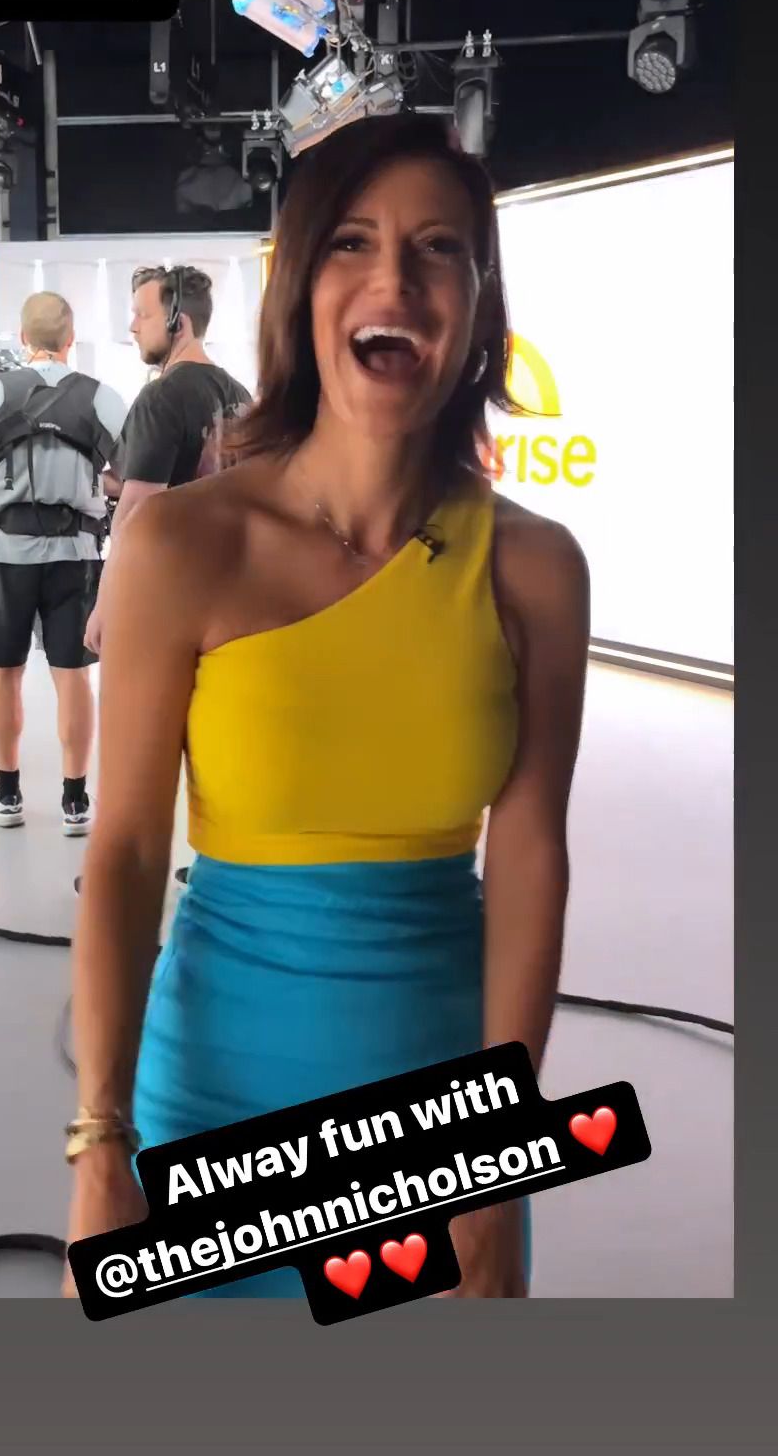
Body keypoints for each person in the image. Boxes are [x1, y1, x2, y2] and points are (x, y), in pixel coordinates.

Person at [63, 115, 590, 1300]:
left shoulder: (536, 568)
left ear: (478, 306)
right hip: (208, 1106)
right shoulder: (184, 544)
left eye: (438, 248)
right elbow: (129, 850)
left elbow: (531, 856)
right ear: (302, 289)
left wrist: (498, 1168)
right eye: (352, 242)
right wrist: (99, 1143)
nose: (393, 280)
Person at [0, 291, 129, 837]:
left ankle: (7, 797)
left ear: (24, 339)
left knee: (4, 675)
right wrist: (82, 478)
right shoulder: (103, 398)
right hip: (77, 557)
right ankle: (76, 803)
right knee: (73, 676)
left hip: (4, 555)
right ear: (71, 339)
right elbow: (130, 478)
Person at [84, 264, 251, 655]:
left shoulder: (161, 398)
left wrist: (106, 604)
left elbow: (135, 512)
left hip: (168, 594)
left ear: (179, 322)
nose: (133, 327)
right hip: (231, 594)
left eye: (143, 315)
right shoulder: (241, 395)